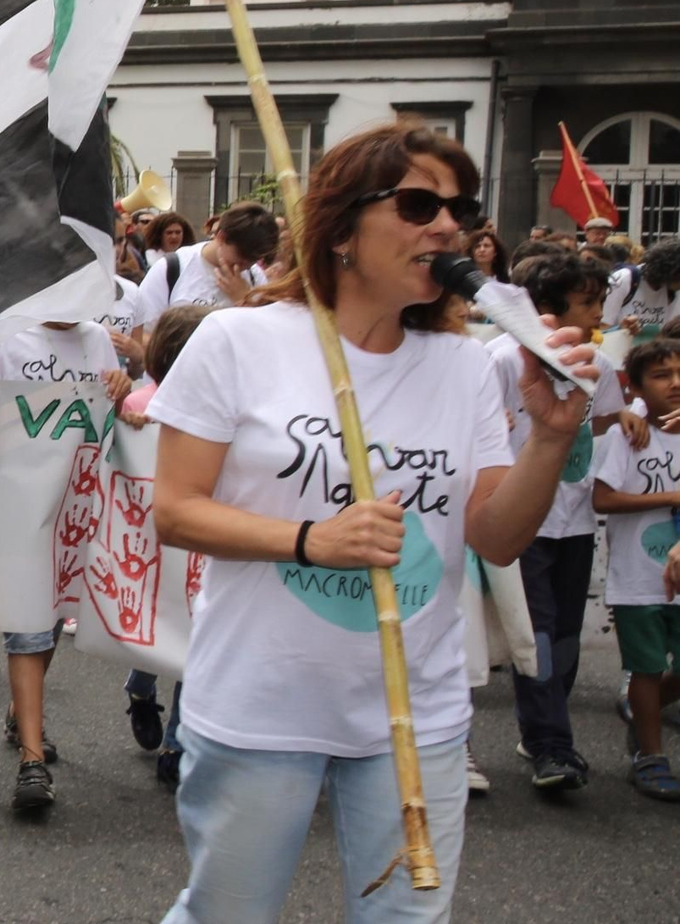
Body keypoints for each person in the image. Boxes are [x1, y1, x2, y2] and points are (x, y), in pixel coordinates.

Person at [148, 122, 594, 923]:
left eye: (460, 209)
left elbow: (495, 537)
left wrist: (552, 439)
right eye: (420, 204)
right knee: (228, 914)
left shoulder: (465, 367)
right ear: (344, 228)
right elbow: (175, 511)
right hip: (264, 700)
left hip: (416, 710)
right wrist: (310, 540)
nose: (448, 227)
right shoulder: (238, 341)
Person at [489, 251, 636, 792]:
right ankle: (553, 744)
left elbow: (599, 421)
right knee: (541, 634)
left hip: (574, 521)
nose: (601, 313)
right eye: (589, 302)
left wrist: (625, 419)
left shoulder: (595, 360)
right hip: (525, 520)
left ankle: (543, 728)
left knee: (568, 637)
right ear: (546, 307)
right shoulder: (505, 359)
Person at [0, 311, 132, 810]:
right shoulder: (9, 333)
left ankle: (23, 710)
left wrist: (123, 388)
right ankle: (32, 761)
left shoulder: (98, 341)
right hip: (20, 499)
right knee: (28, 619)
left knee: (54, 607)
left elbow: (110, 417)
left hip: (75, 501)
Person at [119, 303, 217, 787]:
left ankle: (178, 740)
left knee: (191, 633)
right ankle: (140, 684)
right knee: (157, 621)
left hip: (197, 542)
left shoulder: (223, 409)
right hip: (149, 540)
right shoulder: (141, 404)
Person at [591, 337, 680, 802]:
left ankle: (641, 711)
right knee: (645, 668)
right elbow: (603, 499)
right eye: (663, 375)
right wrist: (669, 497)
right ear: (639, 387)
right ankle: (650, 753)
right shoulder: (628, 435)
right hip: (639, 579)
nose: (676, 383)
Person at [133, 201, 279, 342]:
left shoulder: (254, 276)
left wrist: (246, 301)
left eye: (253, 261)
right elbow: (141, 334)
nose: (245, 266)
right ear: (221, 237)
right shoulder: (171, 268)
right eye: (241, 259)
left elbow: (265, 337)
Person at [603, 237, 680, 343]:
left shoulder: (673, 292)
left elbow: (668, 334)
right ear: (672, 271)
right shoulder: (625, 278)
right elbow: (603, 325)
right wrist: (620, 330)